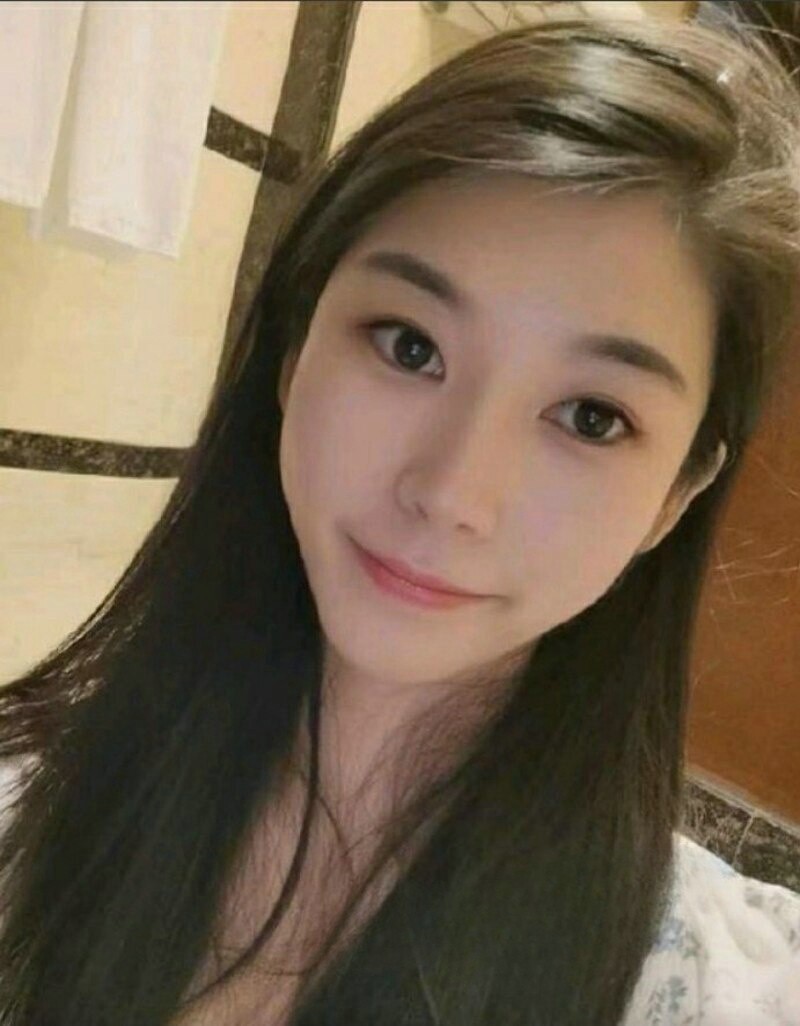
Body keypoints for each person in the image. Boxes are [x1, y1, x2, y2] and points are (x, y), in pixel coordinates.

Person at [0, 9, 799, 1026]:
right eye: (409, 346)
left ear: (675, 496)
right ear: (296, 348)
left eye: (591, 418)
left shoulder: (709, 985)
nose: (453, 492)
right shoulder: (31, 807)